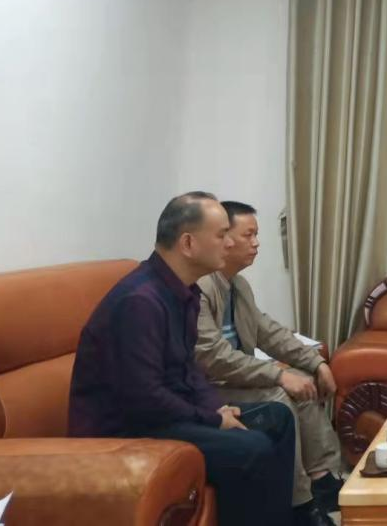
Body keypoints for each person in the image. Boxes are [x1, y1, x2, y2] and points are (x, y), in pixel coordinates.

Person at [69, 192, 296, 526]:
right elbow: (144, 398)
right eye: (221, 235)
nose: (228, 244)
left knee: (278, 417)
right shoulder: (141, 301)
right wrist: (212, 420)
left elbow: (189, 369)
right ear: (188, 243)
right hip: (127, 431)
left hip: (166, 414)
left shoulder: (183, 292)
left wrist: (216, 408)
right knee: (252, 449)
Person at [196, 200, 341, 526]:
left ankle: (322, 478)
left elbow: (268, 331)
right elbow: (213, 358)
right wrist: (277, 375)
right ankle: (300, 504)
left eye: (257, 235)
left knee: (303, 380)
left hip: (237, 378)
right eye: (248, 235)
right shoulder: (201, 289)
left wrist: (315, 363)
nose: (257, 243)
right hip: (210, 388)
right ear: (224, 238)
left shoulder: (237, 285)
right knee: (278, 396)